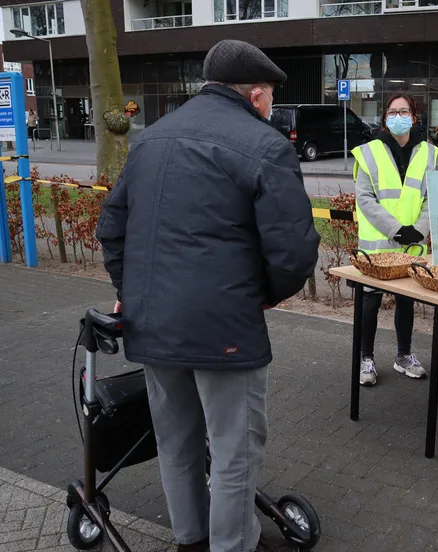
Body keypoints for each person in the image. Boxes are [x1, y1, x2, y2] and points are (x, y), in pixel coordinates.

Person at [96, 39, 320, 552]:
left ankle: (190, 541)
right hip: (224, 329)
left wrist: (129, 293)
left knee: (176, 442)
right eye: (269, 101)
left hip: (152, 325)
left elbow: (112, 228)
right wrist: (261, 296)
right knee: (233, 451)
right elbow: (293, 251)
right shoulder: (266, 146)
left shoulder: (151, 139)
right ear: (258, 94)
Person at [352, 94, 438, 386]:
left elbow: (432, 198)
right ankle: (366, 359)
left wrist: (419, 229)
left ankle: (403, 356)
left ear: (414, 117)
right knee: (369, 304)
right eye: (392, 112)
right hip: (378, 246)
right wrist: (396, 229)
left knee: (406, 301)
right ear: (385, 117)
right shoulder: (368, 152)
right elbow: (364, 198)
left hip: (412, 244)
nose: (397, 116)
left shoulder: (428, 153)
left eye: (403, 111)